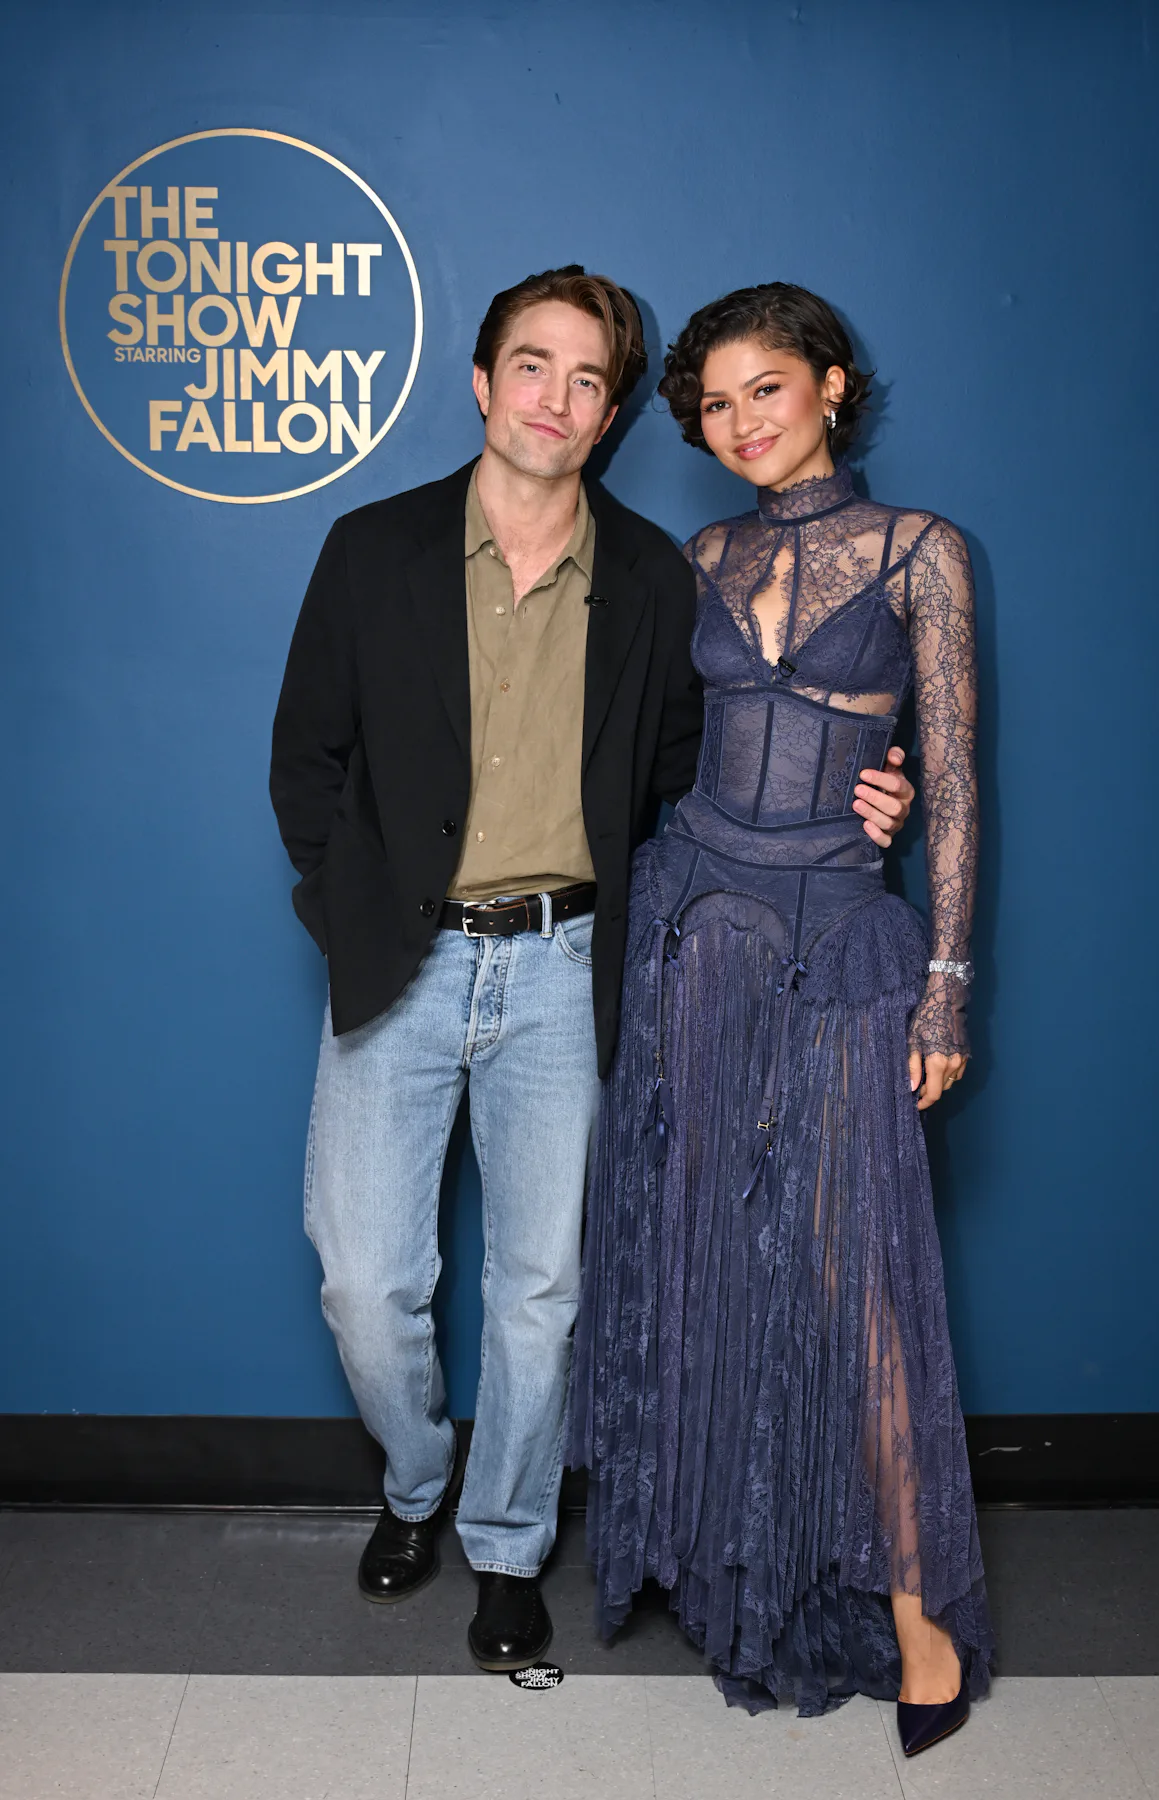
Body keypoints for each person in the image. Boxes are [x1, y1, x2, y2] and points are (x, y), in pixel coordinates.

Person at [270, 266, 915, 1673]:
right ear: (483, 381)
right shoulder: (370, 549)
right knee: (364, 1283)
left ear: (610, 413)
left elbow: (708, 764)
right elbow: (306, 759)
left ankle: (507, 1544)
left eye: (587, 380)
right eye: (532, 366)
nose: (555, 400)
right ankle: (415, 1484)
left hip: (568, 971)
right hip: (402, 961)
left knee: (542, 1291)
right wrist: (351, 912)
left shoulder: (653, 576)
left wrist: (869, 788)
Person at [570, 282, 992, 1756]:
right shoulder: (700, 557)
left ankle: (923, 1618)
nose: (741, 422)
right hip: (693, 929)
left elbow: (958, 777)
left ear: (830, 386)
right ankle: (737, 1568)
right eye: (714, 404)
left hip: (840, 941)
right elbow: (663, 750)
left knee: (852, 1271)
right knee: (707, 1251)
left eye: (767, 389)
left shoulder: (922, 552)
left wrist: (945, 980)